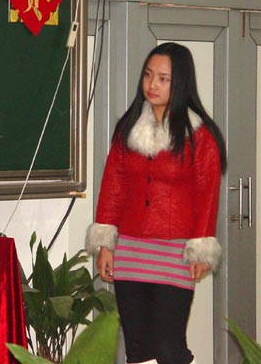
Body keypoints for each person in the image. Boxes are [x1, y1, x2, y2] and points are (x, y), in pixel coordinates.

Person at [85, 42, 226, 364]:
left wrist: (201, 248)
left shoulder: (200, 136)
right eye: (148, 75)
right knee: (137, 347)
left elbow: (207, 195)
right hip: (130, 248)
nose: (152, 84)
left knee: (168, 346)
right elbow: (114, 185)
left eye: (163, 78)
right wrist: (106, 244)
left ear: (181, 83)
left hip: (175, 250)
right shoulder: (128, 128)